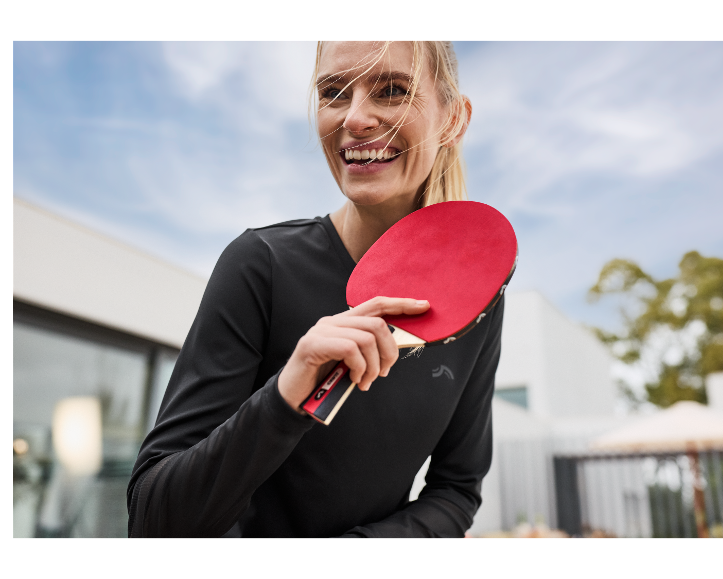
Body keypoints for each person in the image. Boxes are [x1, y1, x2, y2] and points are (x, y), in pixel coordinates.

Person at [128, 40, 503, 539]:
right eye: (333, 92)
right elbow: (155, 519)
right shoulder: (259, 265)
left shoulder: (478, 298)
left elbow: (456, 489)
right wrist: (287, 393)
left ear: (453, 118)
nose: (355, 118)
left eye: (391, 90)